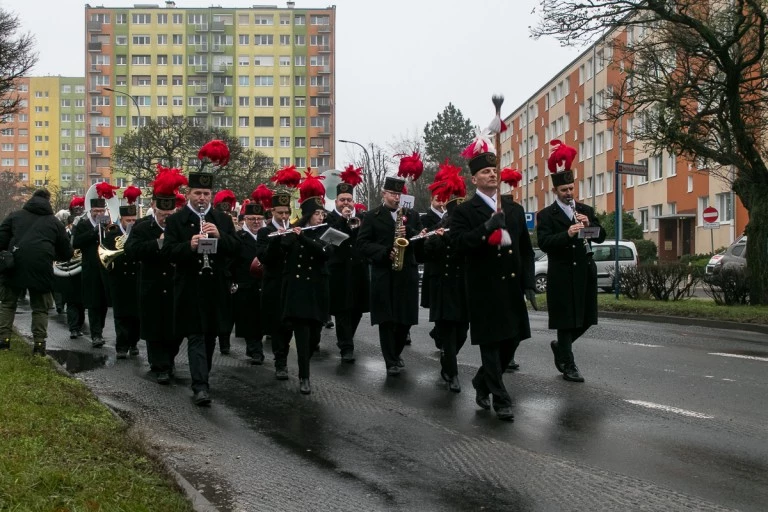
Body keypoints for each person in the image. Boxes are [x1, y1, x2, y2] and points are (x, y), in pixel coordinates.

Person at [451, 139, 536, 421]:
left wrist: (528, 282)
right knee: (491, 343)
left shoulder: (513, 209)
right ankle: (500, 398)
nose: (491, 174)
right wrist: (487, 228)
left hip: (511, 286)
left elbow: (524, 248)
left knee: (513, 340)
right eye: (485, 171)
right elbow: (460, 244)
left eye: (494, 170)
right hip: (483, 287)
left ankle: (481, 381)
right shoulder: (465, 211)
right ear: (474, 179)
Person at [162, 141, 241, 406]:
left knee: (209, 337)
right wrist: (189, 245)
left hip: (215, 287)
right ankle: (200, 386)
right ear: (188, 194)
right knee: (195, 334)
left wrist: (221, 237)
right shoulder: (175, 220)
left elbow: (236, 249)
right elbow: (168, 252)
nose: (202, 198)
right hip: (189, 286)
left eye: (206, 193)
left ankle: (202, 377)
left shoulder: (222, 219)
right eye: (197, 193)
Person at [537, 140, 606, 383]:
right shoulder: (546, 215)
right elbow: (544, 242)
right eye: (564, 190)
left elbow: (600, 237)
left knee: (587, 318)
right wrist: (566, 234)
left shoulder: (584, 209)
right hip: (562, 272)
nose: (569, 193)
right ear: (555, 191)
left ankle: (561, 347)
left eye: (571, 189)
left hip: (584, 270)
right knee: (565, 321)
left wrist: (591, 226)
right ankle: (568, 364)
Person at [357, 153, 425, 376]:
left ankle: (396, 354)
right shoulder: (372, 216)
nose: (396, 198)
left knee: (405, 320)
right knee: (387, 321)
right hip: (384, 274)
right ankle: (390, 361)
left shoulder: (411, 215)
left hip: (407, 273)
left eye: (399, 194)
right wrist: (385, 252)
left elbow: (417, 241)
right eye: (392, 194)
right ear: (383, 193)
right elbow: (363, 244)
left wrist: (414, 233)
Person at [125, 167, 186, 384]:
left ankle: (168, 361)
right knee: (154, 329)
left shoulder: (181, 227)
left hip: (175, 284)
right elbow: (131, 251)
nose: (167, 218)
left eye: (170, 215)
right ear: (154, 209)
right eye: (163, 215)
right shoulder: (142, 228)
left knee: (175, 330)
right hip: (151, 285)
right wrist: (158, 243)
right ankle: (159, 365)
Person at [274, 174, 331, 394]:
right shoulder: (294, 231)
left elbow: (325, 252)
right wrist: (286, 234)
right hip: (298, 293)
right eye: (317, 213)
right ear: (308, 215)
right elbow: (282, 248)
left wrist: (303, 238)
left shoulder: (327, 233)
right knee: (302, 335)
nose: (320, 216)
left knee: (314, 337)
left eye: (322, 213)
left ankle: (304, 366)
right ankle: (304, 376)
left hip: (317, 291)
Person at [0, 189, 74, 355]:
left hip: (14, 265)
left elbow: (1, 240)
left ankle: (3, 341)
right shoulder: (54, 223)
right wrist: (50, 254)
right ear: (48, 201)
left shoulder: (14, 216)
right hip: (41, 267)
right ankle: (39, 345)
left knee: (8, 304)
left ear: (31, 199)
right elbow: (67, 252)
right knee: (40, 308)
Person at [423, 162, 468, 392]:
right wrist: (436, 238)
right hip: (443, 289)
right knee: (449, 335)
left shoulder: (466, 231)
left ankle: (447, 360)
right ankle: (452, 372)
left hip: (463, 289)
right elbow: (426, 254)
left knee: (462, 333)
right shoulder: (439, 228)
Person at [256, 165, 301, 381]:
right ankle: (280, 361)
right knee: (277, 325)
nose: (284, 216)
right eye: (280, 213)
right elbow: (265, 258)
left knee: (289, 325)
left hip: (291, 283)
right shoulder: (265, 232)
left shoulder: (293, 230)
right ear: (272, 213)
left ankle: (286, 357)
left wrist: (293, 237)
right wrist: (278, 239)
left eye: (286, 213)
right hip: (273, 284)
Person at [325, 164, 369, 363]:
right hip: (339, 271)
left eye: (349, 200)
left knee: (357, 309)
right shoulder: (329, 218)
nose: (346, 204)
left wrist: (357, 225)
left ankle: (347, 339)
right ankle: (346, 347)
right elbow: (330, 242)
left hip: (358, 270)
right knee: (343, 310)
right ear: (336, 201)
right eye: (342, 200)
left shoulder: (360, 218)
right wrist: (342, 221)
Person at [72, 182, 118, 348]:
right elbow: (76, 243)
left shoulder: (109, 225)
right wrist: (94, 232)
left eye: (101, 211)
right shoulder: (83, 225)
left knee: (104, 303)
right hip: (90, 269)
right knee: (93, 303)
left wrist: (108, 230)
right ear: (90, 212)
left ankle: (100, 330)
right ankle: (96, 335)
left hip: (105, 269)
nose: (99, 214)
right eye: (96, 211)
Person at [102, 186, 141, 359]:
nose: (131, 223)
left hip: (137, 278)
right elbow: (105, 254)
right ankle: (121, 346)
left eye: (133, 219)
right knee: (120, 315)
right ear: (121, 219)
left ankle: (133, 343)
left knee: (136, 316)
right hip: (118, 279)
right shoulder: (112, 234)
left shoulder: (140, 233)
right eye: (128, 220)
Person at [233, 191, 268, 365]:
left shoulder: (267, 236)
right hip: (245, 283)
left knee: (262, 318)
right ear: (245, 219)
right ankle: (255, 350)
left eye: (258, 219)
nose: (256, 222)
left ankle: (255, 347)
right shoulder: (238, 237)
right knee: (249, 319)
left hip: (264, 283)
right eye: (252, 219)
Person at [53, 197, 87, 339]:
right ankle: (73, 328)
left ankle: (78, 326)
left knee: (81, 302)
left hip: (82, 269)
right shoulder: (64, 233)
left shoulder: (83, 230)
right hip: (68, 269)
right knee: (72, 301)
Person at [421, 176, 448, 350]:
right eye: (438, 198)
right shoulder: (424, 218)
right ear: (432, 199)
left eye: (444, 198)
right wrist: (444, 221)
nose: (441, 202)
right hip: (434, 266)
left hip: (449, 266)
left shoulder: (453, 215)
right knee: (437, 306)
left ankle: (440, 332)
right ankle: (439, 334)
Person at [213, 188, 237, 355]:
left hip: (228, 272)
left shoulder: (228, 224)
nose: (226, 214)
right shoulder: (214, 221)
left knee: (226, 310)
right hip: (217, 269)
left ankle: (225, 341)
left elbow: (235, 247)